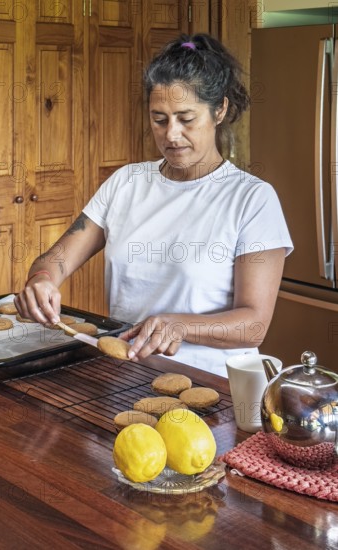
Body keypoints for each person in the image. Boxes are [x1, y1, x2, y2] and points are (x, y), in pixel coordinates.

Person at [15, 33, 293, 376]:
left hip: (211, 389)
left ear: (219, 110)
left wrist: (181, 326)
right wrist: (41, 280)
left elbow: (253, 325)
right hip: (127, 376)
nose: (171, 135)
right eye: (159, 119)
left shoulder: (252, 199)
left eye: (186, 118)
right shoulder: (126, 183)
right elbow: (54, 260)